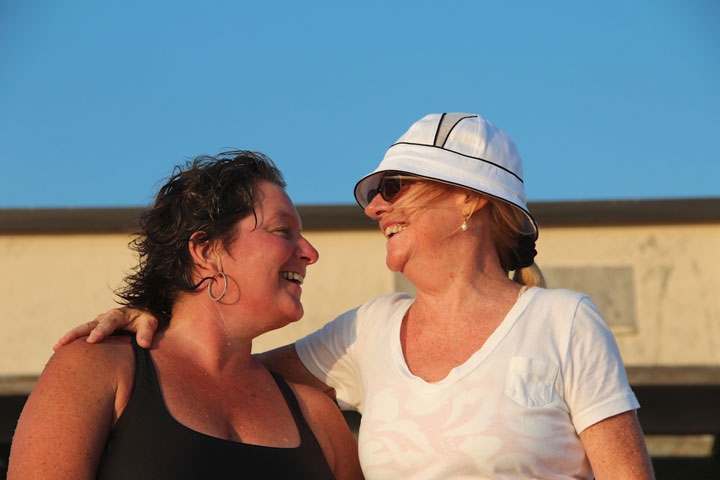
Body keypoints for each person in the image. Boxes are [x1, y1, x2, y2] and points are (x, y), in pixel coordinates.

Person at [56, 114, 655, 479]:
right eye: (373, 193)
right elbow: (218, 367)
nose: (374, 208)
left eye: (394, 187)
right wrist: (158, 318)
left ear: (472, 198)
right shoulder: (366, 331)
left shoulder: (565, 322)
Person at [9, 151, 362, 479]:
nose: (310, 253)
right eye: (282, 231)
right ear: (206, 250)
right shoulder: (96, 367)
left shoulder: (318, 417)